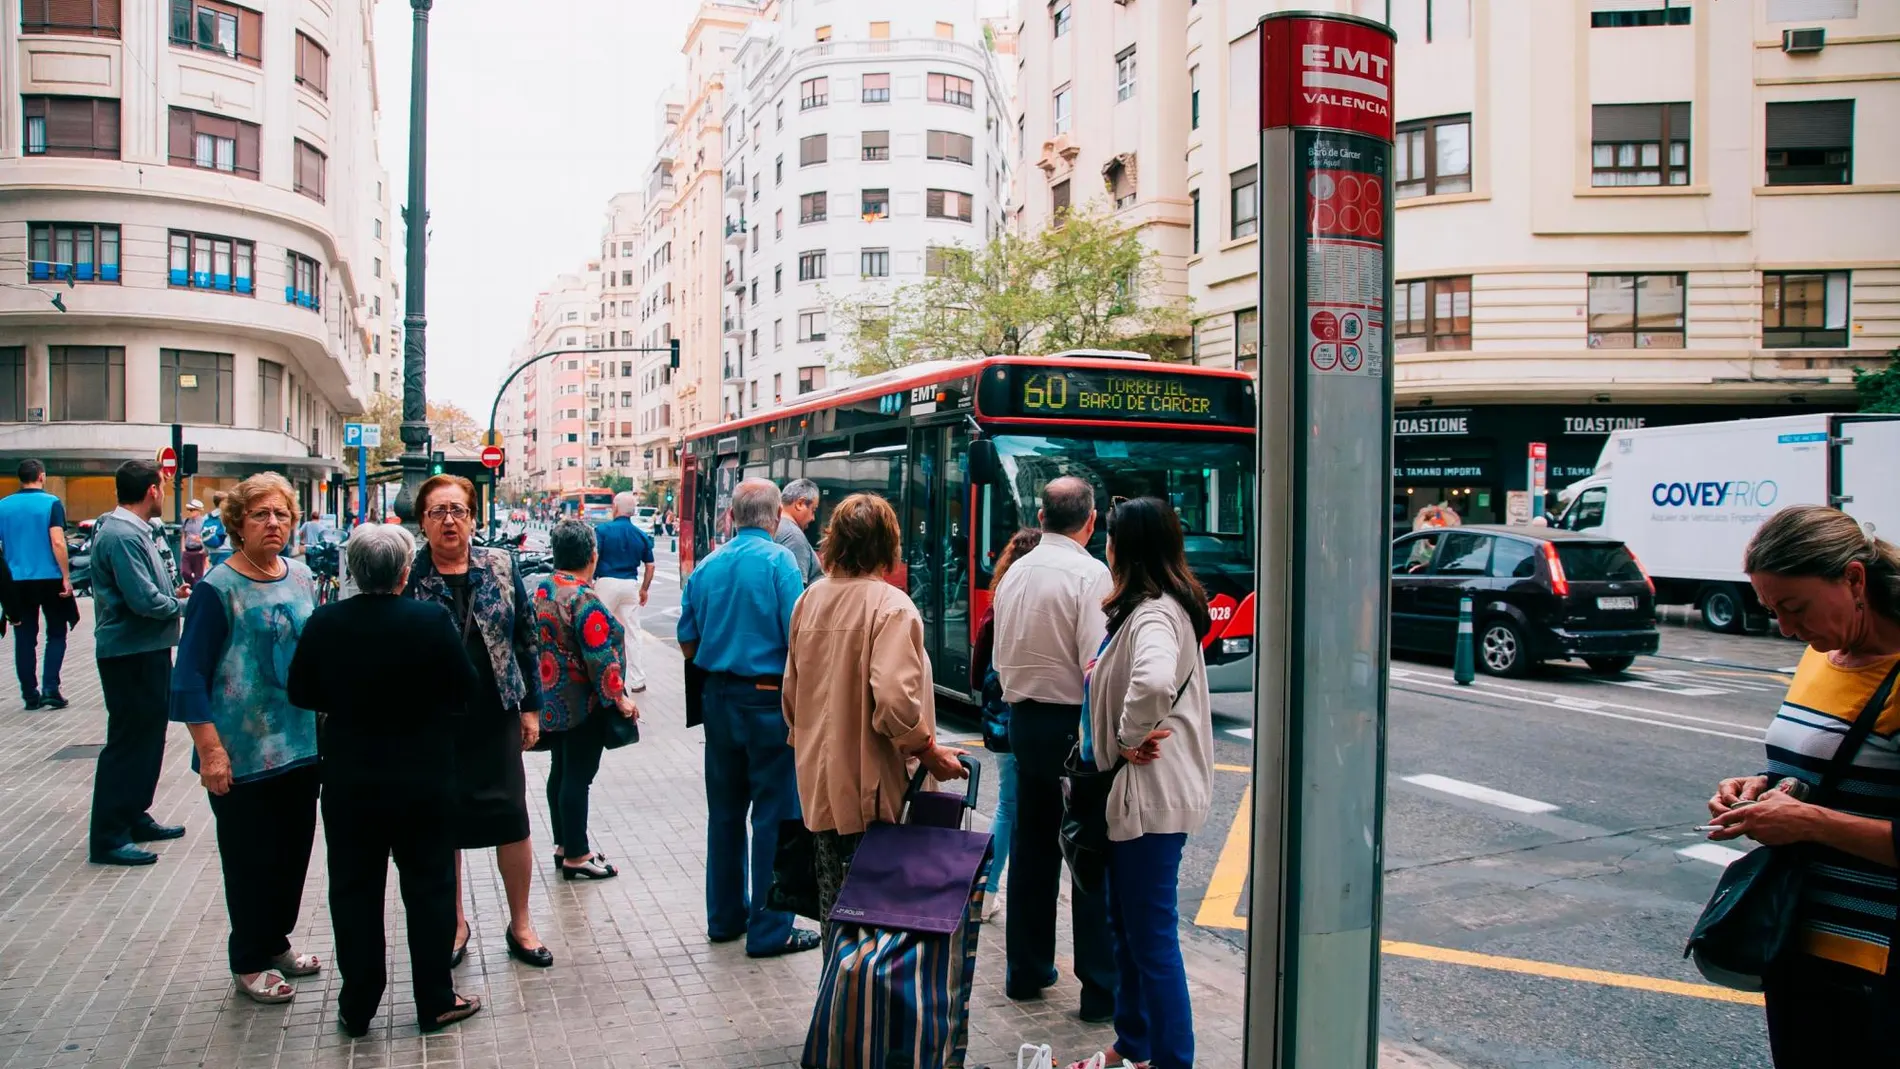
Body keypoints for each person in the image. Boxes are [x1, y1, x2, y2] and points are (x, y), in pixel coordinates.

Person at [1706, 505, 1900, 1066]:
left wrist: (1808, 823)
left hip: (1875, 962)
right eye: (1771, 611)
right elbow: (1818, 769)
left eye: (1795, 608)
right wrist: (1760, 786)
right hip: (1792, 933)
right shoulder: (1821, 657)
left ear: (1854, 580)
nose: (1788, 630)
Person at [286, 523, 483, 1035]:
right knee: (430, 889)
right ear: (403, 572)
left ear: (351, 571)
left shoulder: (325, 622)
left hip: (351, 777)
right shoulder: (430, 620)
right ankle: (435, 998)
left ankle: (358, 1004)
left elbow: (300, 691)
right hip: (424, 777)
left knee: (354, 890)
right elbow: (467, 686)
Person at [783, 493, 968, 935]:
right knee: (878, 918)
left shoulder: (809, 601)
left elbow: (791, 695)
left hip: (819, 784)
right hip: (874, 788)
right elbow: (895, 700)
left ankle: (838, 999)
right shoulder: (892, 606)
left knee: (836, 909)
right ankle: (869, 1003)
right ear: (888, 544)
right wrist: (926, 750)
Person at [170, 472, 323, 1005]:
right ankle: (249, 958)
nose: (274, 523)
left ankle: (275, 941)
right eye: (261, 514)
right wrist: (210, 750)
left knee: (292, 855)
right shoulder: (217, 588)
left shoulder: (302, 576)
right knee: (249, 859)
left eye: (281, 513)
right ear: (237, 523)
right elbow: (188, 676)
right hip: (241, 754)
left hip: (301, 747)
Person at [1077, 498, 1215, 1069]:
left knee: (1152, 937)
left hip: (1149, 797)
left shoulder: (1156, 613)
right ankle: (1132, 1044)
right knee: (1128, 928)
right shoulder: (1149, 607)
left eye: (1108, 538)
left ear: (1125, 548)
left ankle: (1171, 1059)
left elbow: (1155, 680)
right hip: (1136, 796)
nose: (1102, 547)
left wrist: (1131, 734)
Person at [406, 474, 552, 969]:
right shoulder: (408, 572)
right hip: (433, 718)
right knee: (443, 822)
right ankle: (454, 922)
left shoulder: (501, 564)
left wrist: (531, 707)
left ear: (473, 517)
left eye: (458, 511)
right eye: (437, 512)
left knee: (511, 818)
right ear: (422, 521)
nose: (449, 521)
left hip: (495, 714)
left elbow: (527, 638)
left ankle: (522, 923)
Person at [991, 475, 1118, 1021]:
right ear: (1090, 523)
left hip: (1024, 722)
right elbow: (1097, 665)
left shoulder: (1015, 571)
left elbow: (999, 656)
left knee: (1033, 848)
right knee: (1088, 854)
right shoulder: (1092, 574)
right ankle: (1098, 990)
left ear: (1041, 518)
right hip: (1074, 726)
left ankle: (1025, 968)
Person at [677, 478, 816, 958]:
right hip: (767, 703)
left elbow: (688, 641)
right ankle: (770, 930)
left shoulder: (708, 566)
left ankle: (724, 919)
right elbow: (795, 637)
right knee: (775, 817)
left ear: (731, 517)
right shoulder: (781, 562)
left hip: (718, 700)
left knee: (726, 814)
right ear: (777, 517)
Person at [87, 460, 191, 866]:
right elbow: (143, 600)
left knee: (148, 736)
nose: (163, 494)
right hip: (128, 652)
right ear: (152, 489)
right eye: (162, 487)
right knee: (129, 741)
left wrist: (172, 592)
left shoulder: (135, 532)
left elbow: (151, 588)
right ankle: (109, 834)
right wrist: (184, 603)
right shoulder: (121, 534)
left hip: (145, 649)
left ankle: (133, 814)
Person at [534, 520, 640, 880]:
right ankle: (577, 855)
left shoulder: (545, 589)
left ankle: (564, 844)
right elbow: (599, 656)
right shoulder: (583, 598)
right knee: (578, 777)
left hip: (552, 697)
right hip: (582, 704)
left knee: (561, 772)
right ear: (593, 556)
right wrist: (620, 699)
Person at [971, 527, 1045, 921]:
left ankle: (990, 889)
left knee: (1009, 804)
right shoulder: (1033, 603)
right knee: (1021, 807)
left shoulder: (1000, 598)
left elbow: (980, 659)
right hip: (1027, 717)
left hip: (1000, 716)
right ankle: (991, 889)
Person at [0, 459, 75, 710]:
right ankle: (51, 687)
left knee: (24, 636)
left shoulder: (3, 506)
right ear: (41, 476)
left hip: (16, 580)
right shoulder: (52, 503)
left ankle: (30, 694)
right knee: (56, 632)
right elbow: (57, 541)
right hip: (49, 577)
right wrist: (66, 576)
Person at [592, 492, 656, 694]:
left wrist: (589, 581)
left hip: (606, 583)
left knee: (599, 629)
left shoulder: (602, 531)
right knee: (633, 633)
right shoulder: (640, 534)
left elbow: (594, 557)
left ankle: (600, 676)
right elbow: (650, 565)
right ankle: (638, 681)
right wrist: (644, 589)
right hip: (630, 585)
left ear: (615, 508)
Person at [775, 479, 824, 587]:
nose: (813, 518)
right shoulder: (794, 537)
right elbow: (796, 590)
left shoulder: (775, 527)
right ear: (800, 504)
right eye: (813, 510)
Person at [179, 499, 210, 586]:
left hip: (199, 551)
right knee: (185, 572)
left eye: (192, 510)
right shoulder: (186, 521)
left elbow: (207, 538)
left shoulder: (204, 522)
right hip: (187, 551)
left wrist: (200, 540)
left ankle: (195, 591)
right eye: (189, 510)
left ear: (198, 511)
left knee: (198, 575)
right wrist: (183, 548)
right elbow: (183, 535)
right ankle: (192, 587)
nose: (190, 512)